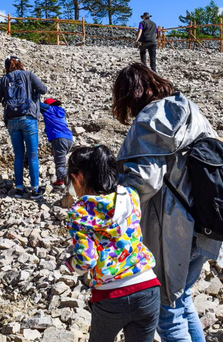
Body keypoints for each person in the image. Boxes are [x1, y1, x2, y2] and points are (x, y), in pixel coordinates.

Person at [113, 63, 223, 342]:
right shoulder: (191, 110)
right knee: (181, 300)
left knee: (167, 313)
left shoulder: (148, 118)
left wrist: (114, 200)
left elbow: (145, 180)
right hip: (209, 221)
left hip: (174, 232)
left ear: (130, 94)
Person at [64, 145, 161, 342]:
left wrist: (70, 263)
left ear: (78, 177)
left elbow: (86, 261)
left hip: (111, 296)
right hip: (148, 288)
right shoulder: (130, 196)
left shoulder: (79, 212)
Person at [0, 55, 48, 198]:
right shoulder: (28, 75)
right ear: (19, 64)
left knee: (18, 155)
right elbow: (43, 89)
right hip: (28, 118)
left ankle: (19, 189)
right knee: (33, 154)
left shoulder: (3, 80)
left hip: (11, 121)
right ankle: (35, 189)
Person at [39, 97, 74, 187]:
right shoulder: (61, 112)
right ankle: (60, 181)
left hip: (59, 138)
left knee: (60, 165)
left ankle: (71, 183)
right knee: (59, 160)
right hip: (69, 138)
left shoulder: (49, 110)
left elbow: (37, 104)